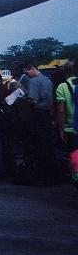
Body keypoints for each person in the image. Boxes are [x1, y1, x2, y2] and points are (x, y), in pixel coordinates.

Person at [54, 62, 77, 191]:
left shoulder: (62, 86)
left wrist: (61, 129)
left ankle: (76, 179)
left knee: (75, 157)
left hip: (72, 129)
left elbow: (61, 110)